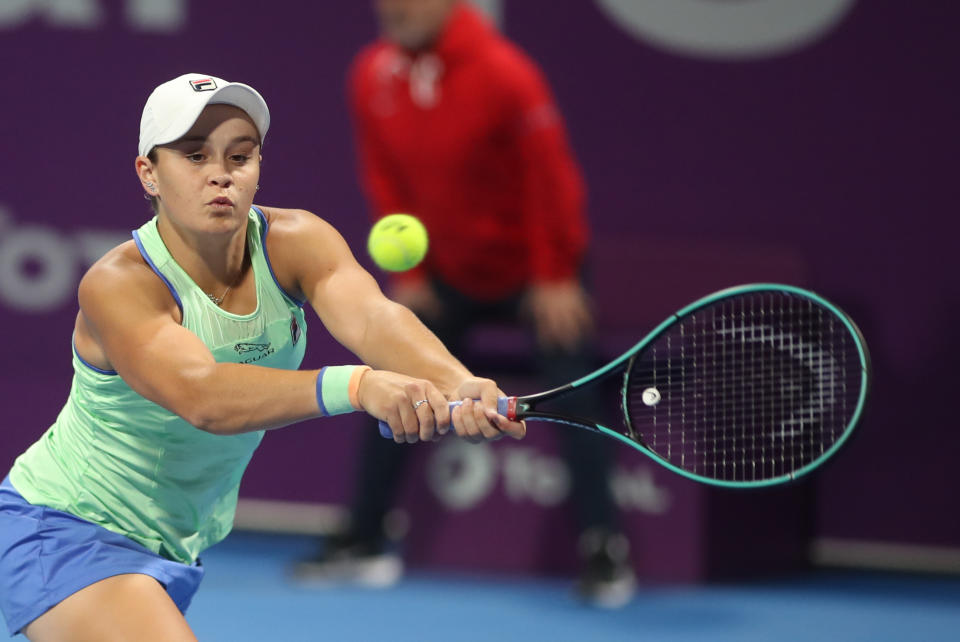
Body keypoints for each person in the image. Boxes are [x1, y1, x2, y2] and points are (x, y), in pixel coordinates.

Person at [0, 72, 525, 641]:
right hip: (62, 529)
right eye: (194, 156)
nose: (220, 174)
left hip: (170, 544)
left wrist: (457, 381)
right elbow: (202, 396)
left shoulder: (297, 241)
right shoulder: (118, 285)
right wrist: (357, 386)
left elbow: (374, 317)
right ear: (148, 173)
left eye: (239, 156)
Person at [293, 0, 636, 607]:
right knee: (391, 379)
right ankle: (366, 538)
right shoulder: (370, 74)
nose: (392, 7)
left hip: (535, 273)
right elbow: (384, 177)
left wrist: (555, 275)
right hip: (447, 273)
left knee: (574, 395)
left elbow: (551, 180)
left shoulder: (507, 73)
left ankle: (604, 547)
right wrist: (417, 272)